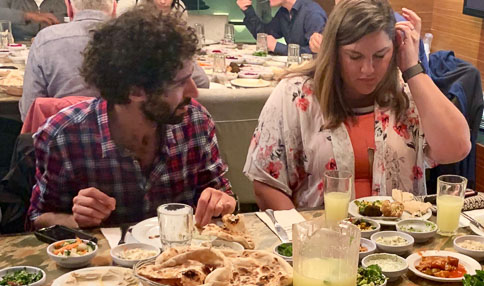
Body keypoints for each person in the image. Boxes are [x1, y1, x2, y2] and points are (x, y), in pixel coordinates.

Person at [243, 0, 470, 210]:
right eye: (354, 56)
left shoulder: (404, 93)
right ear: (334, 53)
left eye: (380, 56)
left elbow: (456, 149)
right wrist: (304, 239)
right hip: (319, 240)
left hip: (397, 243)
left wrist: (412, 69)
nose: (368, 70)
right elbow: (265, 184)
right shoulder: (295, 93)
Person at [29, 6, 236, 229]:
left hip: (181, 260)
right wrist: (75, 219)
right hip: (103, 261)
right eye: (180, 83)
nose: (194, 92)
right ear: (135, 91)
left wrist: (222, 202)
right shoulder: (64, 136)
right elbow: (36, 220)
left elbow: (223, 198)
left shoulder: (196, 122)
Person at [19, 0, 116, 121]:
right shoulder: (134, 41)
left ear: (69, 7)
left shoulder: (45, 39)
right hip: (119, 137)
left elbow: (29, 113)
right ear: (114, 7)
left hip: (56, 136)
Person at [308, 0, 428, 73]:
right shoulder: (343, 20)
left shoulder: (397, 28)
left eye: (379, 55)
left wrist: (328, 55)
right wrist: (324, 47)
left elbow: (419, 88)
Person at [236, 0, 326, 56]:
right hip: (294, 70)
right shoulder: (284, 12)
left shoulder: (312, 13)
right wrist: (247, 10)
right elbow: (264, 35)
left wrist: (278, 47)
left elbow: (317, 53)